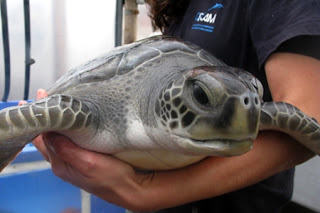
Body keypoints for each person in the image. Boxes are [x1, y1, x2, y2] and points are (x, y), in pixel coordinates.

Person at [32, 0, 320, 212]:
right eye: (202, 98)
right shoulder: (180, 11)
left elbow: (309, 113)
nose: (247, 110)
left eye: (252, 100)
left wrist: (149, 191)